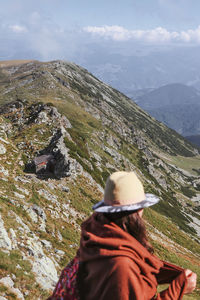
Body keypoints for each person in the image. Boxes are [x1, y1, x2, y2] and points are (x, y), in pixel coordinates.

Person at [77, 171, 197, 300]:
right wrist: (178, 287)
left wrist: (174, 274)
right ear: (138, 211)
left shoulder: (97, 234)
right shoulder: (122, 265)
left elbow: (138, 268)